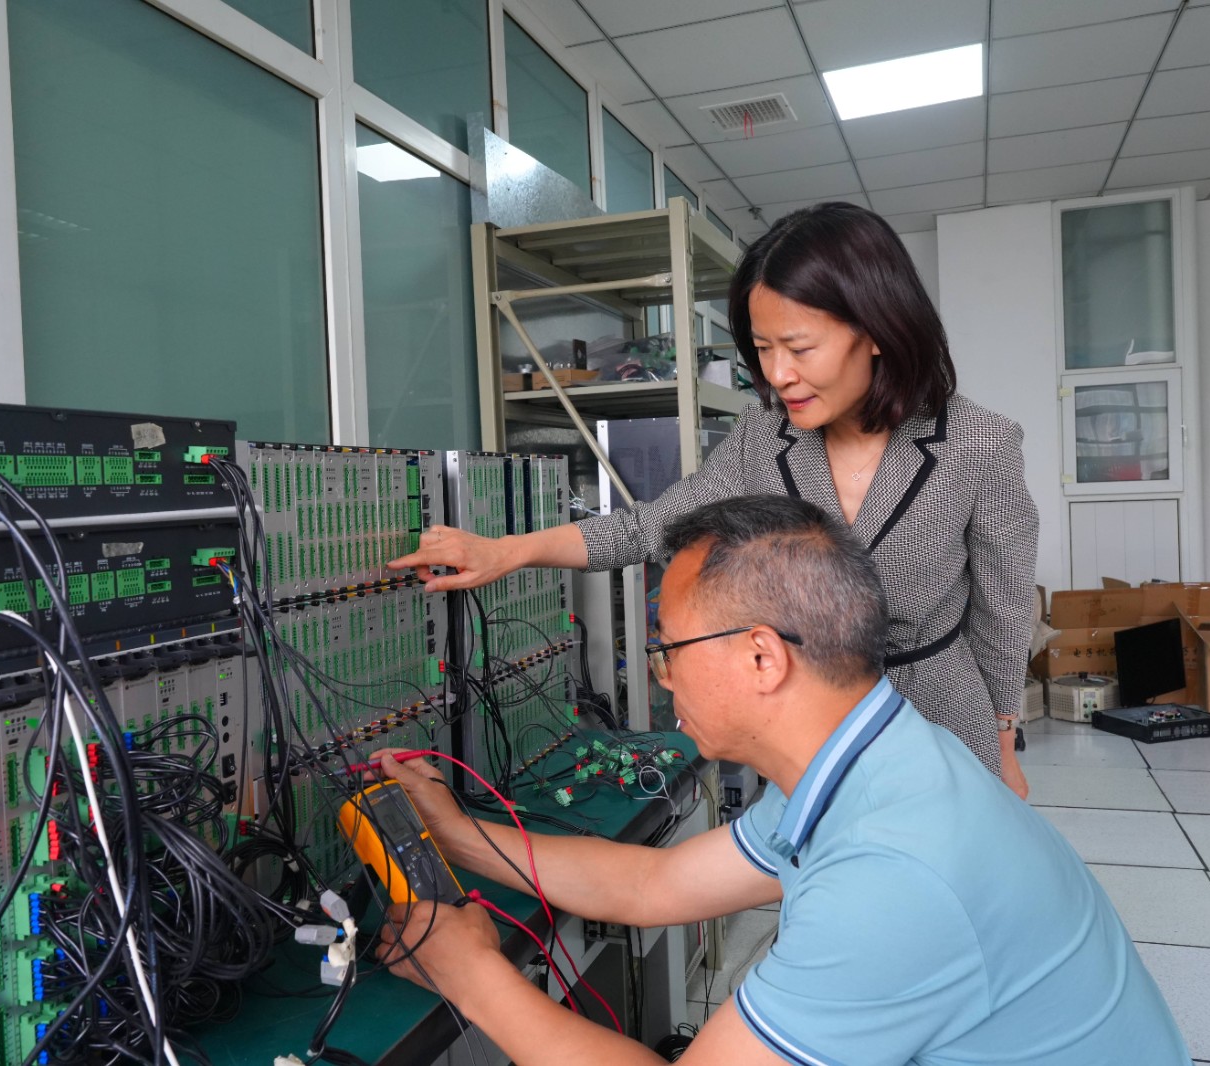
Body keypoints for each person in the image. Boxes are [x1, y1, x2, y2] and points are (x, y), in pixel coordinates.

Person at [368, 495, 1188, 1066]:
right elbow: (654, 885)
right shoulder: (879, 760)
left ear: (764, 657)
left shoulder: (892, 874)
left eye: (669, 649)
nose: (660, 677)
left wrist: (473, 974)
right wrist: (457, 835)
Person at [392, 201, 1038, 796]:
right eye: (763, 349)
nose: (777, 374)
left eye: (799, 348)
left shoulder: (978, 443)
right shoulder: (765, 437)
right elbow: (649, 526)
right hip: (807, 721)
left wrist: (1003, 740)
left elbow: (1003, 609)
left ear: (877, 331)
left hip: (937, 712)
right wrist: (508, 552)